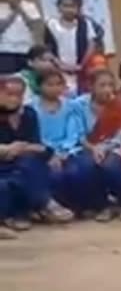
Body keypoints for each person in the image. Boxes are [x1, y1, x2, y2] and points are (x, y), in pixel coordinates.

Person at [0, 76, 70, 233]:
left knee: (29, 164)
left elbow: (37, 145)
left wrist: (20, 148)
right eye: (9, 94)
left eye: (18, 95)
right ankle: (43, 205)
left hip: (22, 161)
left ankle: (27, 212)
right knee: (20, 173)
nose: (14, 99)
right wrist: (7, 149)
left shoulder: (29, 114)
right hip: (3, 164)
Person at [69, 69, 121, 222]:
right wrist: (93, 148)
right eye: (102, 85)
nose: (107, 89)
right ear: (91, 86)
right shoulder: (78, 105)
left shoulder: (120, 104)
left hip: (112, 146)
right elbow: (78, 134)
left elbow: (120, 134)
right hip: (86, 146)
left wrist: (105, 148)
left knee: (111, 165)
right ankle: (102, 206)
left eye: (111, 85)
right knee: (86, 165)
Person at [31, 70, 78, 222]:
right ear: (39, 86)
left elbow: (73, 132)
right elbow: (34, 135)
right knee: (52, 173)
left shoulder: (70, 106)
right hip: (42, 151)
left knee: (75, 171)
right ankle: (45, 209)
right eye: (49, 84)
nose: (55, 88)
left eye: (59, 84)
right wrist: (50, 153)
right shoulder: (31, 107)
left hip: (67, 150)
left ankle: (75, 207)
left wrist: (64, 151)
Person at [44, 0, 104, 95]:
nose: (69, 9)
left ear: (78, 8)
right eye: (65, 6)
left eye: (72, 6)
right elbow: (47, 48)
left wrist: (81, 65)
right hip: (58, 69)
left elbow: (91, 44)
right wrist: (61, 65)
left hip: (80, 69)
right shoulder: (51, 24)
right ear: (58, 7)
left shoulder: (85, 24)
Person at [0, 0, 43, 76]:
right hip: (6, 50)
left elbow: (35, 26)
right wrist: (14, 12)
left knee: (26, 79)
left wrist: (20, 9)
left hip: (26, 50)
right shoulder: (1, 7)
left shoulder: (30, 6)